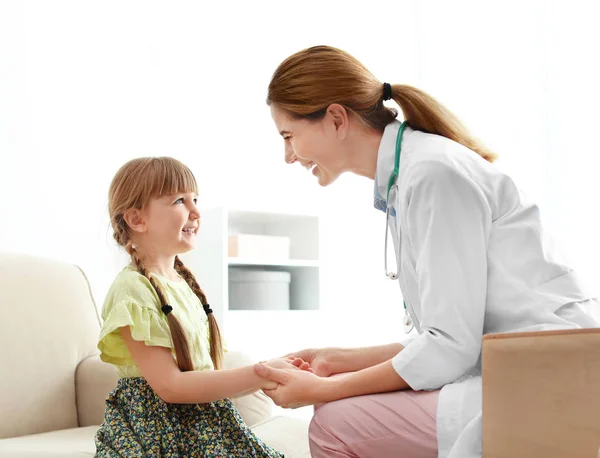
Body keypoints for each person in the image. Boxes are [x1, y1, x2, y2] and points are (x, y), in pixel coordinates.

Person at [254, 45, 599, 458]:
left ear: (335, 118)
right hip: (521, 368)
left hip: (547, 381)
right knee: (337, 410)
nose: (288, 156)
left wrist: (326, 387)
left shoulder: (433, 174)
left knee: (334, 422)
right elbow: (449, 338)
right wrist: (338, 360)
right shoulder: (414, 173)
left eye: (289, 136)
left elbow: (452, 346)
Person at [94, 156, 308, 457]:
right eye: (180, 200)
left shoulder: (183, 284)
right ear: (137, 219)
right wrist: (261, 374)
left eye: (196, 199)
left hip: (205, 420)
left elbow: (205, 372)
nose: (196, 211)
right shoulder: (132, 290)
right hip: (158, 430)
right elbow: (171, 386)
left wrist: (271, 374)